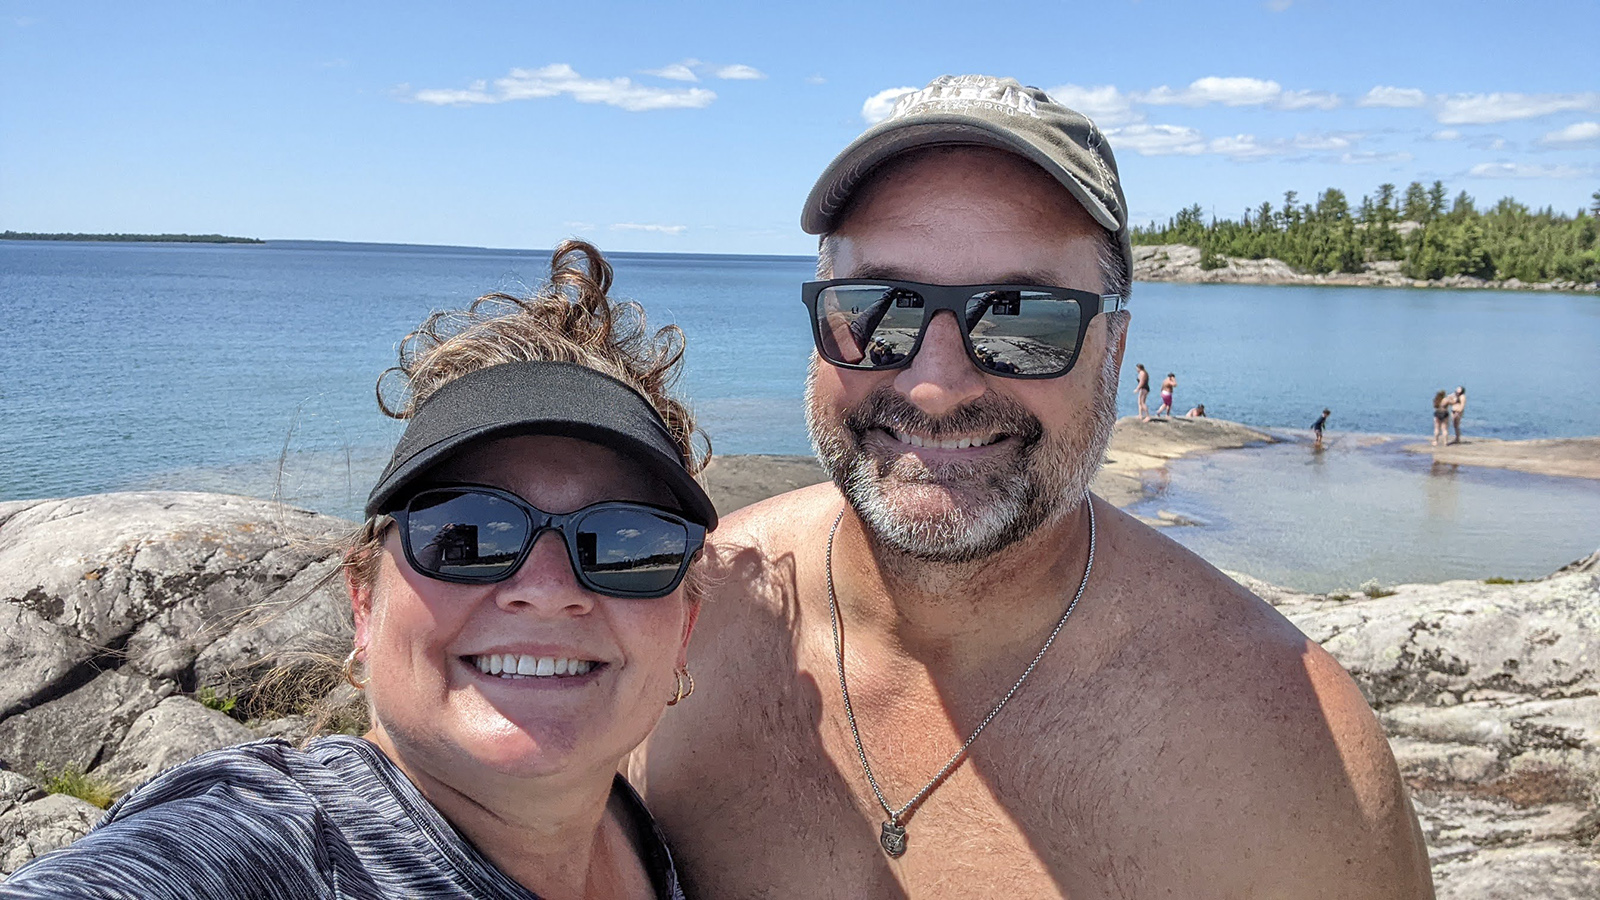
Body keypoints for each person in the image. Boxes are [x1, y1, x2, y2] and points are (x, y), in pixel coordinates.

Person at [640, 75, 1432, 898]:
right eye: (878, 309)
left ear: (1114, 355)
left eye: (1020, 318)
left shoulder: (1283, 753)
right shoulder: (681, 619)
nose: (934, 387)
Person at [2, 241, 712, 900]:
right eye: (465, 532)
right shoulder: (274, 851)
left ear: (684, 630)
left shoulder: (665, 838)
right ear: (364, 603)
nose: (548, 590)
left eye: (626, 544)